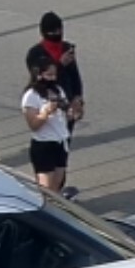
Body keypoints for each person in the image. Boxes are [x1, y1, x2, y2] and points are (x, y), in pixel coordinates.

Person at [27, 11, 84, 197]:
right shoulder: (36, 54)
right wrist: (60, 64)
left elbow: (75, 77)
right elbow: (42, 78)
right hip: (47, 110)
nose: (56, 34)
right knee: (47, 161)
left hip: (65, 109)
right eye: (52, 31)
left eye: (59, 30)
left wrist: (78, 98)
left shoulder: (66, 48)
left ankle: (57, 194)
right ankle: (47, 196)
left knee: (62, 155)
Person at [22, 48, 80, 195]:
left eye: (54, 75)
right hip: (43, 144)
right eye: (48, 75)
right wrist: (46, 112)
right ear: (39, 75)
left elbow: (66, 112)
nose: (52, 78)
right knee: (46, 189)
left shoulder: (58, 89)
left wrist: (71, 113)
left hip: (60, 141)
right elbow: (33, 125)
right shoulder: (31, 96)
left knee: (57, 185)